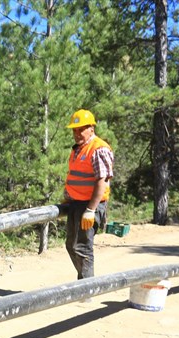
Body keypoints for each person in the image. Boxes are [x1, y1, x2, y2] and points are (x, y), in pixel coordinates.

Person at [62, 109, 114, 280]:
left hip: (89, 205)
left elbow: (102, 182)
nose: (77, 133)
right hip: (75, 204)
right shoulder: (79, 149)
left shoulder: (98, 149)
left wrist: (91, 210)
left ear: (91, 128)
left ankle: (87, 288)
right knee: (71, 245)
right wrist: (68, 196)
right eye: (74, 130)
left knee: (82, 248)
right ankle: (85, 283)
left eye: (81, 129)